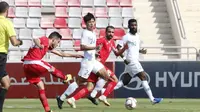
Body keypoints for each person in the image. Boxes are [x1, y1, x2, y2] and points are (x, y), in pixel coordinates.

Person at [56, 26, 120, 108]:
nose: (111, 34)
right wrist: (95, 52)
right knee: (113, 79)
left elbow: (117, 53)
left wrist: (125, 49)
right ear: (105, 32)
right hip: (95, 63)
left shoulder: (112, 43)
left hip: (96, 66)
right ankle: (100, 96)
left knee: (89, 87)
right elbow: (91, 48)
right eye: (109, 32)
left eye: (112, 32)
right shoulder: (100, 40)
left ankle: (70, 99)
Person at [22, 32, 82, 112]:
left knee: (41, 85)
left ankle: (47, 110)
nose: (58, 44)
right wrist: (40, 45)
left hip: (26, 65)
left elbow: (61, 54)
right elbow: (36, 39)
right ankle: (65, 78)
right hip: (33, 62)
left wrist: (74, 55)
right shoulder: (46, 40)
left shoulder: (47, 47)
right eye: (58, 42)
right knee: (51, 68)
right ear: (53, 40)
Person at [113, 19, 163, 104]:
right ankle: (152, 99)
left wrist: (141, 51)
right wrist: (124, 58)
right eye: (132, 25)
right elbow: (118, 47)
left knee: (125, 81)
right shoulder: (126, 37)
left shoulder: (137, 36)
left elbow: (134, 48)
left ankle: (103, 91)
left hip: (132, 61)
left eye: (135, 25)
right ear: (129, 26)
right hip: (131, 60)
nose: (134, 27)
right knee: (143, 76)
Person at [0, 1, 23, 112]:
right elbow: (14, 42)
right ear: (7, 10)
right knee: (4, 83)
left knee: (6, 83)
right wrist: (20, 42)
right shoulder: (6, 23)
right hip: (1, 55)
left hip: (1, 56)